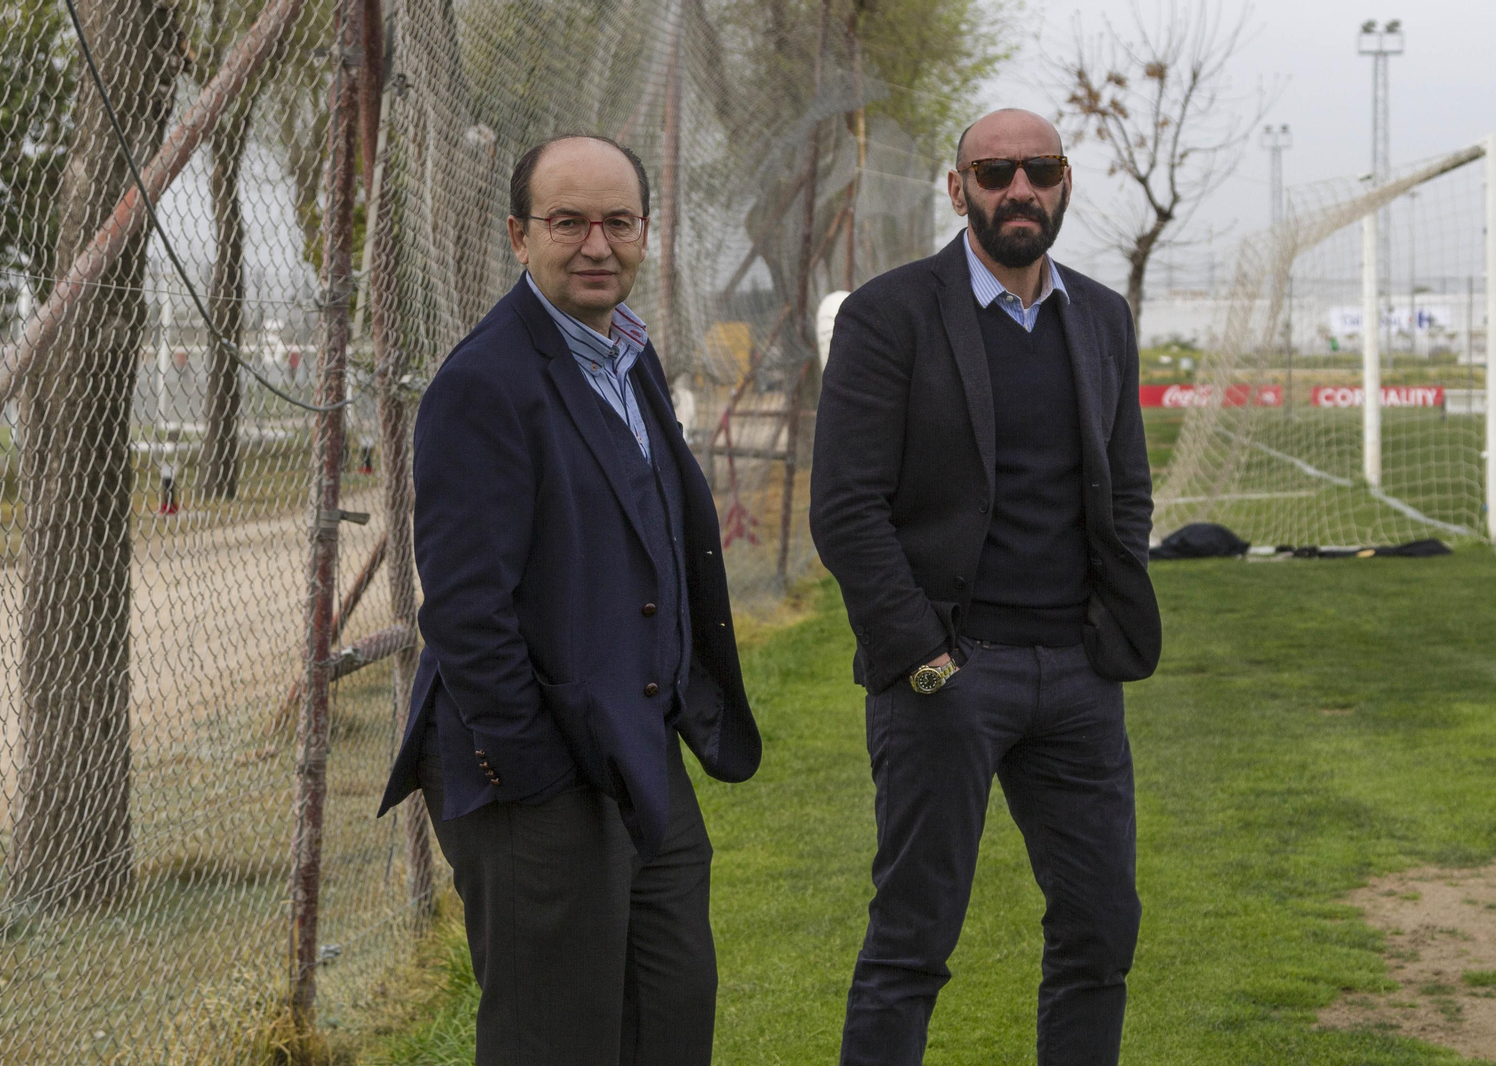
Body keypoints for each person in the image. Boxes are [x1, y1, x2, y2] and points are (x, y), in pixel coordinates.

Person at [376, 134, 761, 1066]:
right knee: (556, 1039)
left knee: (671, 1016)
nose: (597, 245)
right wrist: (535, 769)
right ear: (519, 236)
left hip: (639, 744)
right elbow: (466, 612)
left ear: (644, 233)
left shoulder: (628, 354)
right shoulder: (483, 384)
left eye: (618, 222)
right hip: (534, 770)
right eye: (569, 222)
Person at [809, 108, 1162, 1066]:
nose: (1020, 189)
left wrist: (1104, 621)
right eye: (996, 171)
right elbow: (845, 509)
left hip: (1079, 677)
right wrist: (924, 659)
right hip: (950, 675)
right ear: (957, 187)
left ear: (1065, 183)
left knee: (1102, 930)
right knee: (912, 941)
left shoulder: (1101, 316)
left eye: (1039, 169)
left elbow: (1126, 486)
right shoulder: (890, 315)